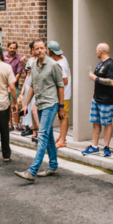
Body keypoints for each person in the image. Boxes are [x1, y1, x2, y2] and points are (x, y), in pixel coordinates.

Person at [15, 39, 65, 182]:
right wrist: (25, 104)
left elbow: (60, 86)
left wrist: (61, 107)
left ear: (46, 49)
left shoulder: (54, 65)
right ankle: (53, 167)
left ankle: (32, 171)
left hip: (51, 104)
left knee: (42, 136)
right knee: (48, 136)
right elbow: (32, 86)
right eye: (37, 49)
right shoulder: (33, 65)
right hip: (41, 104)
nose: (40, 51)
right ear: (33, 51)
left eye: (42, 48)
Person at [82, 43, 113, 157]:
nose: (96, 52)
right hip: (96, 99)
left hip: (107, 100)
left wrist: (95, 78)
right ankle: (94, 146)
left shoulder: (111, 64)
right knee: (96, 123)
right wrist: (94, 94)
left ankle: (106, 147)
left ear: (100, 51)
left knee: (107, 123)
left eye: (97, 50)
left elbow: (112, 82)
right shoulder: (100, 64)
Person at [47, 41, 71, 148]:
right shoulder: (63, 58)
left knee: (63, 117)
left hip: (64, 94)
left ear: (50, 51)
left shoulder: (59, 64)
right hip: (63, 94)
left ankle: (62, 141)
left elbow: (64, 81)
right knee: (61, 117)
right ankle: (62, 136)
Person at [4, 41, 25, 131]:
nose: (12, 49)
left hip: (14, 85)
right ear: (8, 48)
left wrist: (11, 84)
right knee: (6, 105)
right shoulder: (3, 57)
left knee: (15, 105)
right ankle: (9, 124)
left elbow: (18, 73)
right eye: (11, 48)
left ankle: (17, 124)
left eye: (14, 48)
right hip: (4, 86)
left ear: (16, 48)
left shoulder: (19, 59)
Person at [20, 58, 40, 142]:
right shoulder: (30, 60)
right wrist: (23, 89)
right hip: (30, 85)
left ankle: (41, 133)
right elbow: (27, 75)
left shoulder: (45, 62)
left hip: (39, 87)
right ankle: (34, 132)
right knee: (31, 109)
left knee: (34, 110)